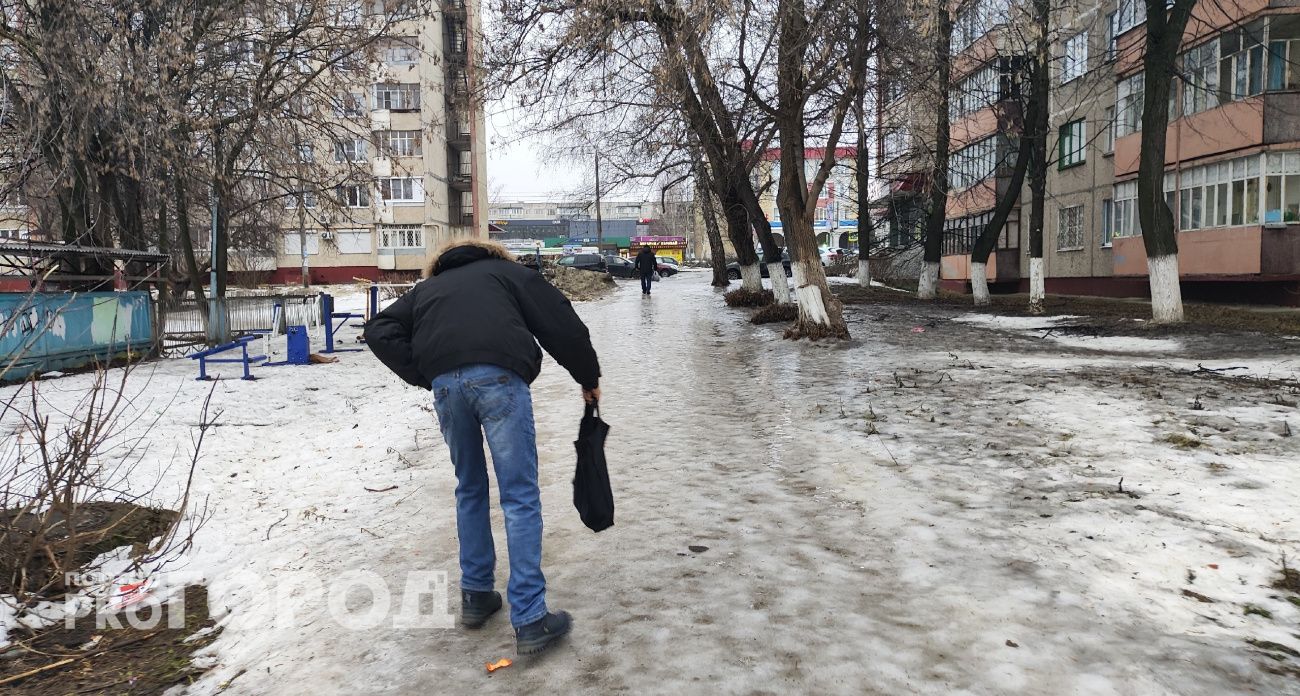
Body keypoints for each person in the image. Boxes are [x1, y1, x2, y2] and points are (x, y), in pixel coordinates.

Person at [365, 239, 601, 656]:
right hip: (499, 381)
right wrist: (587, 375)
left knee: (469, 488)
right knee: (519, 495)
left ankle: (476, 595)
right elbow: (560, 323)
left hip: (447, 389)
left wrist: (428, 372)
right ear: (492, 254)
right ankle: (530, 618)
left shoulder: (427, 290)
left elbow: (379, 329)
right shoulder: (508, 274)